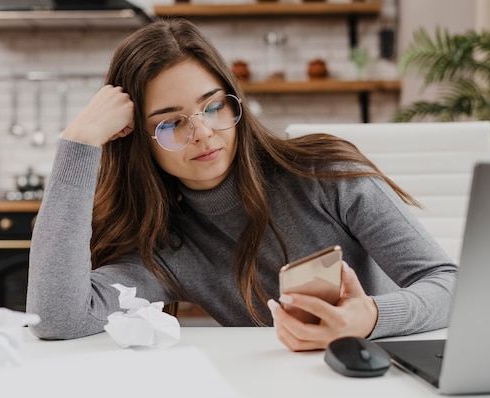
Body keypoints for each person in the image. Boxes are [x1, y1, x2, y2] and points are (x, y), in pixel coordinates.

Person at [26, 18, 457, 352]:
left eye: (213, 107)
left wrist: (370, 317)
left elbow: (451, 283)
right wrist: (78, 144)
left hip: (374, 373)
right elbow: (58, 318)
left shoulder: (328, 176)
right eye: (172, 123)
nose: (204, 133)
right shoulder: (162, 245)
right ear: (138, 139)